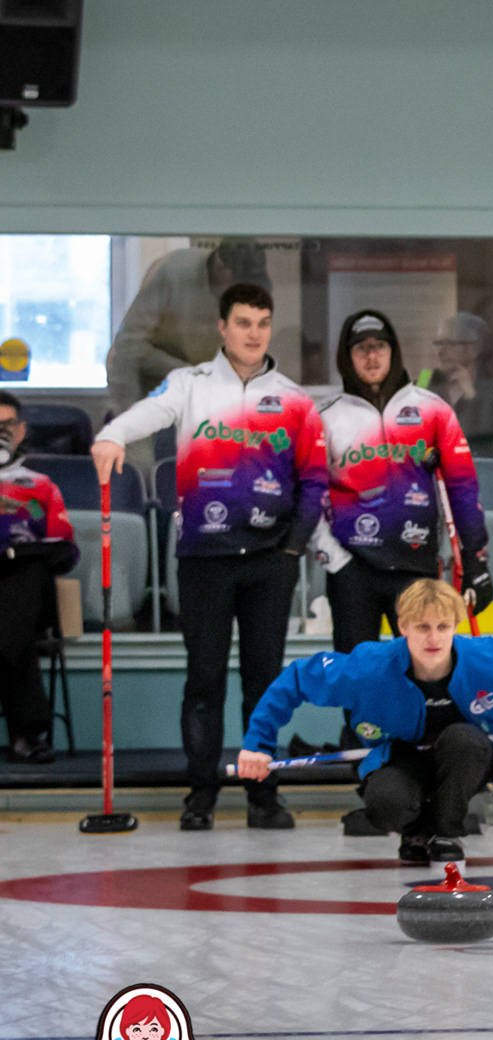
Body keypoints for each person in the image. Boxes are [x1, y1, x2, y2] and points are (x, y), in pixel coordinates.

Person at [91, 283, 329, 832]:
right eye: (243, 322)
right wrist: (111, 437)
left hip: (270, 561)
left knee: (264, 684)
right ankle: (201, 794)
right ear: (223, 327)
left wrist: (294, 546)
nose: (254, 333)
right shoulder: (189, 383)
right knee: (203, 680)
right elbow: (146, 413)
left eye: (262, 323)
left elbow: (315, 478)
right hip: (203, 557)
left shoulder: (293, 398)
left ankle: (263, 795)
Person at [237, 578, 493, 863]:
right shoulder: (368, 667)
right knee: (385, 805)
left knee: (465, 742)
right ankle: (416, 832)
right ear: (403, 627)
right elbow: (294, 680)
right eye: (422, 627)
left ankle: (446, 832)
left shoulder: (487, 659)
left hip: (465, 752)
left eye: (443, 627)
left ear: (456, 627)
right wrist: (257, 745)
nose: (434, 638)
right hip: (400, 756)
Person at [314, 311, 493, 655]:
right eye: (361, 348)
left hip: (416, 566)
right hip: (353, 568)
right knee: (358, 677)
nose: (372, 356)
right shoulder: (327, 416)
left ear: (393, 351)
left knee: (422, 672)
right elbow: (309, 496)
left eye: (379, 346)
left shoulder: (432, 409)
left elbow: (463, 489)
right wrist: (335, 559)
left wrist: (476, 559)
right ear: (346, 356)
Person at [103, 238, 269, 414]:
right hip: (149, 395)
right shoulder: (174, 271)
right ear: (221, 268)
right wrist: (129, 418)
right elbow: (128, 349)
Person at [0, 391, 78, 763]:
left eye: (6, 425)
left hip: (27, 590)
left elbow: (65, 552)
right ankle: (27, 735)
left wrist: (22, 553)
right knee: (14, 636)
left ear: (21, 431)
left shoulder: (40, 485)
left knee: (27, 573)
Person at [427, 313, 493, 459]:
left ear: (473, 348)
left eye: (449, 343)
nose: (441, 351)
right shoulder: (427, 386)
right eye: (439, 343)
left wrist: (471, 398)